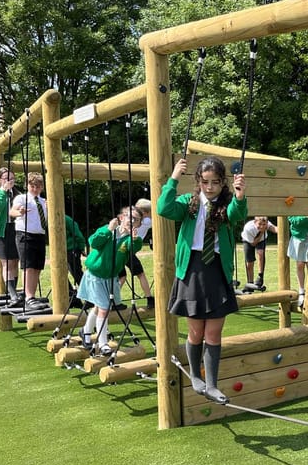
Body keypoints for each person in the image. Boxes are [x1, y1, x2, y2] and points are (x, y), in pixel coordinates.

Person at [158, 156, 247, 404]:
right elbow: (163, 208)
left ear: (222, 183)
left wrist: (240, 195)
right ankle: (196, 377)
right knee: (196, 331)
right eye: (205, 182)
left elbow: (238, 213)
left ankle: (212, 384)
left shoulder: (227, 203)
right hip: (192, 270)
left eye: (215, 182)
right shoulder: (189, 203)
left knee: (214, 333)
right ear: (198, 181)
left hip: (217, 270)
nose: (210, 187)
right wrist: (174, 178)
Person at [77, 206, 144, 357]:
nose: (132, 221)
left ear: (139, 224)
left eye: (136, 220)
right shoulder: (110, 230)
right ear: (121, 217)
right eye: (129, 217)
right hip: (95, 275)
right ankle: (103, 343)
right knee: (104, 307)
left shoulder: (130, 239)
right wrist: (108, 230)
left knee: (99, 307)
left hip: (110, 277)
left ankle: (86, 331)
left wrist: (134, 240)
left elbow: (133, 248)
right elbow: (94, 242)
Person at [9, 172, 48, 309]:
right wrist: (20, 212)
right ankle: (29, 297)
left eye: (38, 186)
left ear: (42, 187)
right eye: (32, 186)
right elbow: (12, 211)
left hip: (39, 236)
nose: (35, 189)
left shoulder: (44, 202)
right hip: (25, 235)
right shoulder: (22, 198)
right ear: (27, 186)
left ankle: (31, 295)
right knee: (29, 267)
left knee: (37, 267)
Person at [0, 167, 20, 303]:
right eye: (7, 178)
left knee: (15, 262)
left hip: (16, 229)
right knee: (6, 262)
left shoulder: (18, 194)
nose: (10, 181)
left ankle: (14, 291)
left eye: (12, 178)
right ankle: (12, 294)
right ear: (0, 180)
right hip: (2, 230)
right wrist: (4, 191)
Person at [118, 198, 154, 308]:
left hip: (120, 249)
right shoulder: (145, 221)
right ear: (145, 213)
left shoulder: (131, 218)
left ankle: (112, 299)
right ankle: (149, 299)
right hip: (129, 249)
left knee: (122, 277)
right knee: (140, 274)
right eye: (149, 212)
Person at [240, 216, 277, 290]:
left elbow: (275, 229)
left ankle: (260, 276)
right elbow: (253, 243)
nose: (262, 226)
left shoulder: (266, 223)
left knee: (260, 253)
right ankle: (250, 283)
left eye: (264, 225)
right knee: (250, 263)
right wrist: (262, 232)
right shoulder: (248, 228)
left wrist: (282, 231)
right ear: (254, 222)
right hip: (248, 240)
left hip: (261, 239)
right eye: (259, 224)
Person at [287, 215, 308, 309]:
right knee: (300, 264)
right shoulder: (293, 204)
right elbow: (292, 219)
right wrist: (306, 217)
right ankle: (301, 291)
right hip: (298, 237)